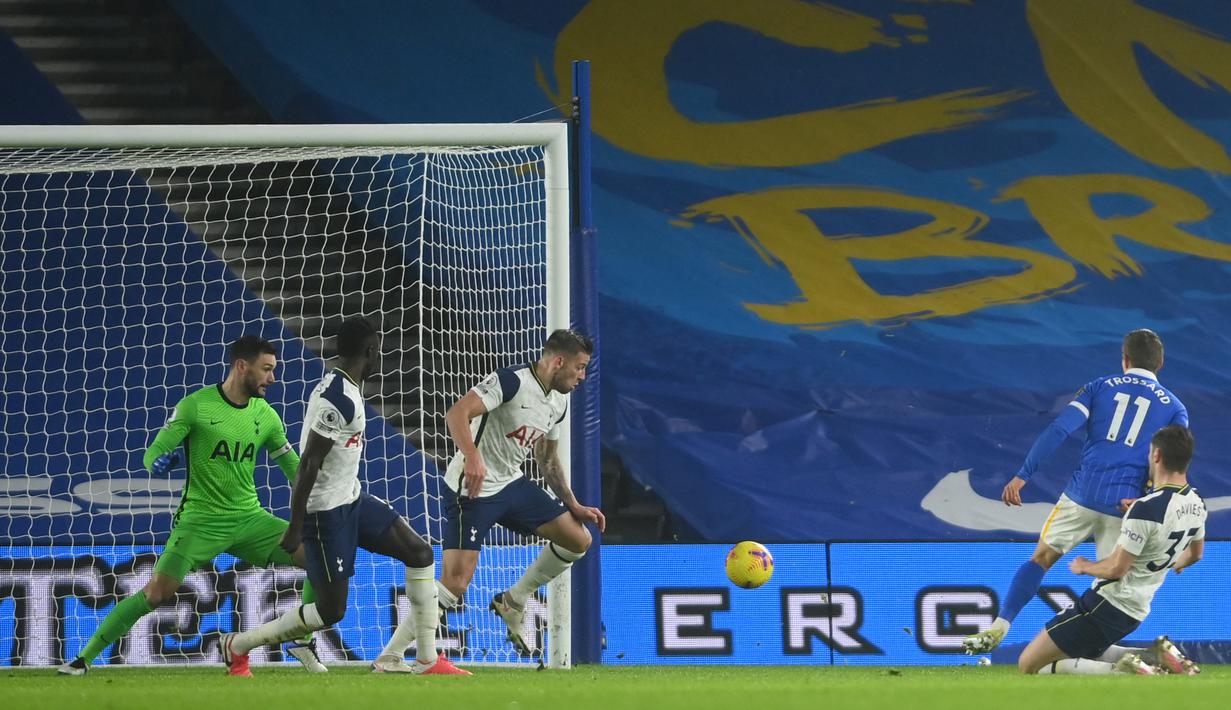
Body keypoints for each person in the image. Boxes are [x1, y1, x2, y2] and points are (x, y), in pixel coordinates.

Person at [57, 335, 326, 675]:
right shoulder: (195, 407)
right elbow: (153, 452)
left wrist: (323, 496)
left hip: (249, 519)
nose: (272, 378)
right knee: (156, 593)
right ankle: (83, 659)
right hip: (199, 521)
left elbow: (295, 470)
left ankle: (301, 639)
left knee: (318, 557)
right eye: (266, 369)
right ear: (242, 366)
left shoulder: (267, 416)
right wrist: (157, 462)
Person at [219, 317, 468, 676]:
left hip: (352, 500)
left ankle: (425, 658)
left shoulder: (348, 388)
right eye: (378, 349)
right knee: (330, 611)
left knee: (420, 553)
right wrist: (295, 525)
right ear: (370, 351)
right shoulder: (337, 399)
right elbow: (308, 464)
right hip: (325, 514)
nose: (380, 355)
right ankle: (238, 644)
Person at [965, 329, 1188, 654]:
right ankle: (1127, 654)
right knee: (1112, 585)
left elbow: (1059, 429)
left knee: (1041, 558)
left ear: (1124, 359)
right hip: (1125, 506)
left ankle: (1001, 624)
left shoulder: (1098, 388)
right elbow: (1173, 466)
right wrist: (1147, 501)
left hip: (1081, 495)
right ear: (1161, 363)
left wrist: (1023, 474)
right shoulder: (1175, 408)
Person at [387, 328, 603, 659]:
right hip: (472, 488)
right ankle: (391, 656)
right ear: (559, 361)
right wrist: (472, 456)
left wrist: (573, 504)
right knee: (456, 584)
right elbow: (456, 413)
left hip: (510, 484)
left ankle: (513, 600)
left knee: (578, 538)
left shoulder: (559, 401)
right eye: (580, 367)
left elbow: (546, 459)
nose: (582, 376)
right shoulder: (511, 381)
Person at [1018, 425, 1205, 675]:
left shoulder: (1146, 509)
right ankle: (1153, 656)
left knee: (1029, 664)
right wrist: (1171, 562)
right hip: (1137, 610)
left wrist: (1084, 566)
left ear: (1157, 455)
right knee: (1083, 649)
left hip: (1107, 604)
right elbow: (1195, 554)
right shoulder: (1196, 502)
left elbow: (1116, 569)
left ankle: (1132, 673)